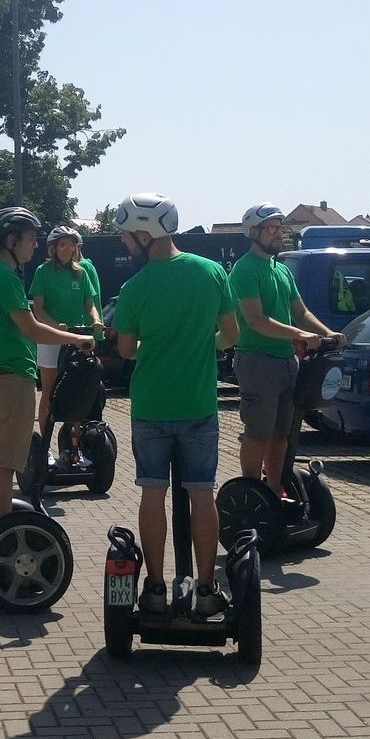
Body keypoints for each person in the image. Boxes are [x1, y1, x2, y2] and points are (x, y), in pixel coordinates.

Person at [110, 193, 239, 617]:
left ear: (146, 234)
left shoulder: (135, 287)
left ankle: (155, 588)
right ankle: (205, 590)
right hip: (199, 404)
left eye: (128, 235)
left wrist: (153, 344)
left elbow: (127, 351)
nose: (125, 243)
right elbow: (231, 336)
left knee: (153, 493)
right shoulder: (212, 272)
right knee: (202, 495)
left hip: (151, 407)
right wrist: (203, 343)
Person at [0, 207, 95, 523]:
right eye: (30, 238)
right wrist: (75, 340)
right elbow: (32, 327)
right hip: (11, 380)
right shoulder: (3, 275)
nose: (36, 245)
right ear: (12, 239)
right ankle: (0, 528)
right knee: (4, 463)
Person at [230, 204, 344, 494]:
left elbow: (301, 311)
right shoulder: (245, 270)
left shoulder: (280, 270)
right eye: (270, 228)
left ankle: (275, 486)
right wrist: (300, 334)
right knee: (257, 432)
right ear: (252, 232)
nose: (277, 233)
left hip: (286, 359)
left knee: (282, 433)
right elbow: (255, 320)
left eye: (279, 227)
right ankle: (250, 491)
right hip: (257, 360)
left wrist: (327, 332)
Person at [28, 225, 104, 438]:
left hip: (76, 337)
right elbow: (38, 308)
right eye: (62, 245)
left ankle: (77, 443)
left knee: (78, 392)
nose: (67, 249)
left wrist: (96, 319)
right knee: (50, 393)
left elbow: (90, 301)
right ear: (54, 248)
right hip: (50, 337)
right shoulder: (43, 272)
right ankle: (45, 446)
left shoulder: (81, 272)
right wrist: (54, 325)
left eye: (71, 245)